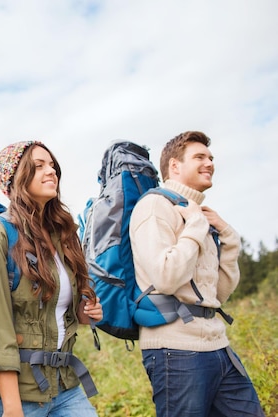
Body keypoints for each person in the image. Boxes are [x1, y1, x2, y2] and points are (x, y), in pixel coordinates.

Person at [129, 131, 265, 417]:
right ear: (175, 166)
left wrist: (229, 236)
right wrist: (195, 226)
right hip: (175, 351)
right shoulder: (154, 206)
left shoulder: (197, 214)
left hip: (218, 345)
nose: (210, 163)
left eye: (211, 157)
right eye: (199, 157)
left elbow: (218, 294)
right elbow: (165, 277)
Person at [0, 141, 103, 417]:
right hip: (14, 394)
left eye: (52, 165)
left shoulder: (64, 235)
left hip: (64, 385)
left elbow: (63, 312)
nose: (51, 171)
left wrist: (85, 311)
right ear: (15, 179)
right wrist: (12, 407)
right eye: (39, 165)